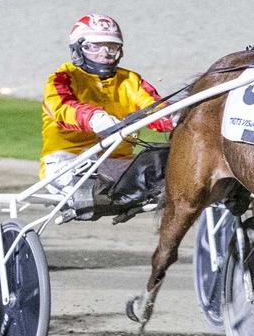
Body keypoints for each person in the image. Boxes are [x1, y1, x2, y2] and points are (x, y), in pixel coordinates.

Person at [40, 13, 175, 219]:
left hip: (118, 164)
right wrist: (96, 118)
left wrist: (175, 117)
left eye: (111, 47)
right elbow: (62, 108)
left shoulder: (130, 80)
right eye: (95, 46)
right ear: (77, 49)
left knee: (170, 163)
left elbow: (155, 108)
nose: (105, 54)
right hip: (69, 162)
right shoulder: (61, 78)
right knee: (90, 188)